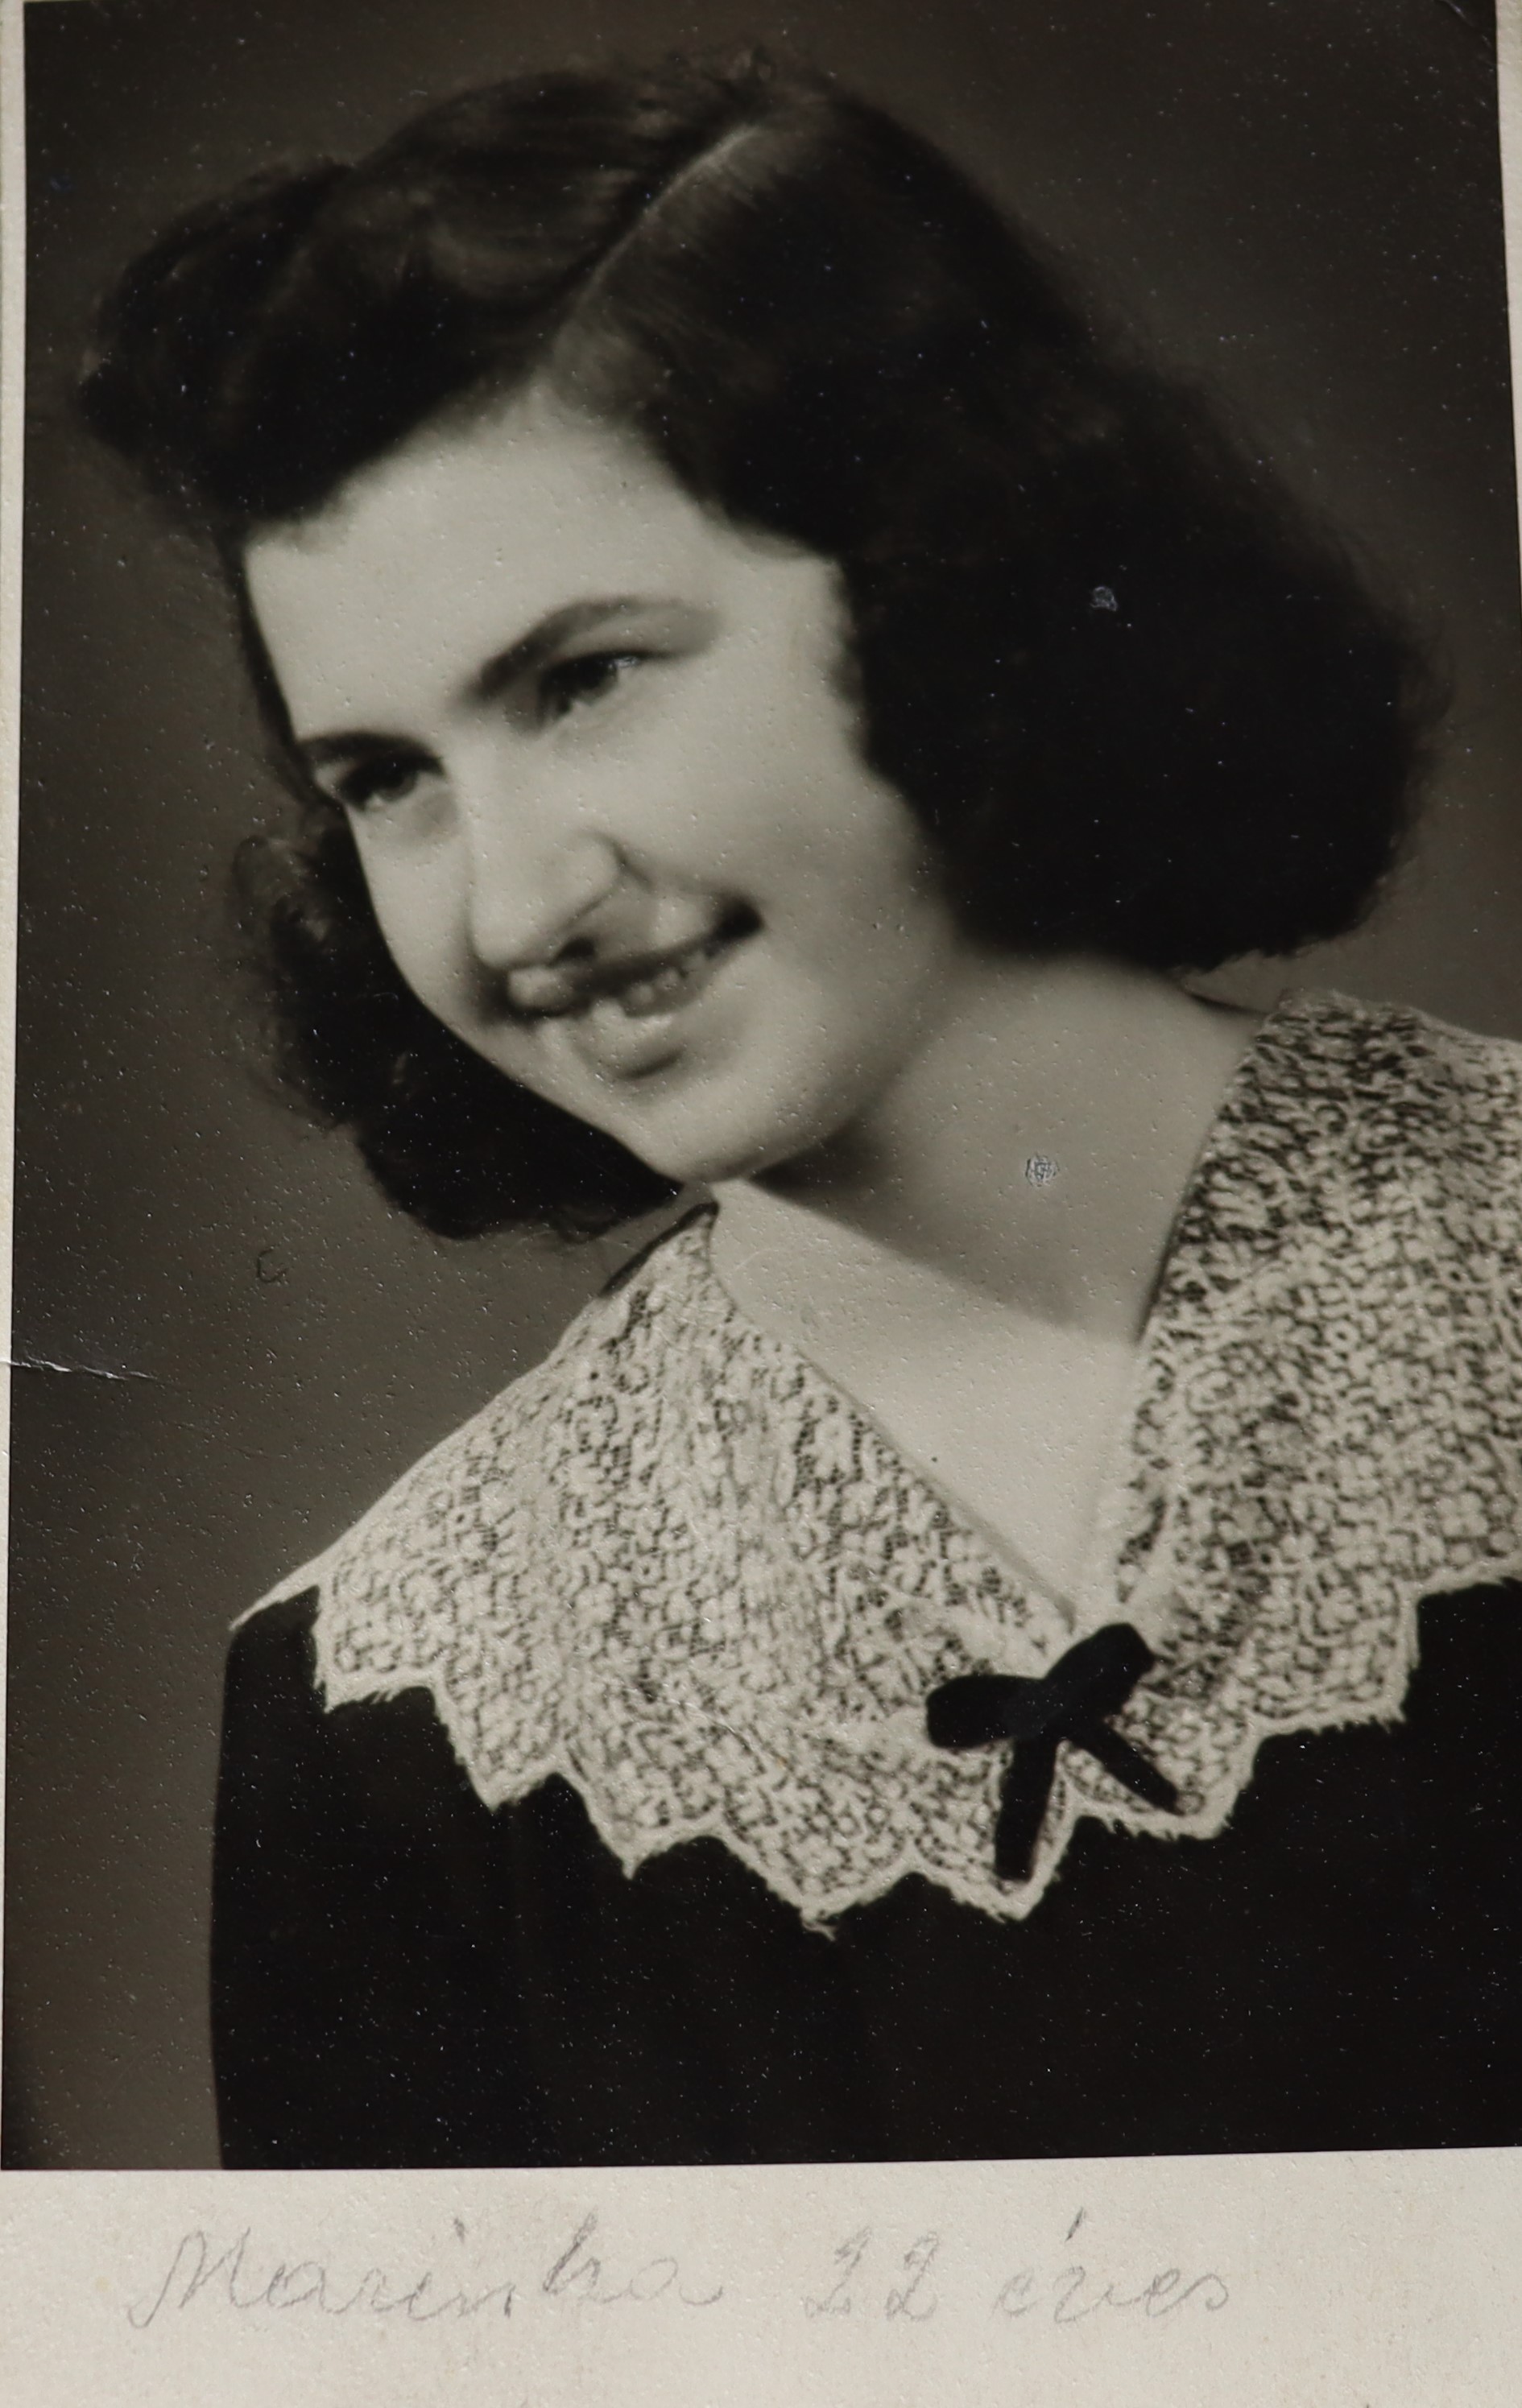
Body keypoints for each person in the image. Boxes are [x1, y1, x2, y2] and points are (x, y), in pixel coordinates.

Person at [82, 56, 1522, 2170]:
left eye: (583, 679)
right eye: (386, 781)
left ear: (953, 574)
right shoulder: (393, 1724)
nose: (516, 904)